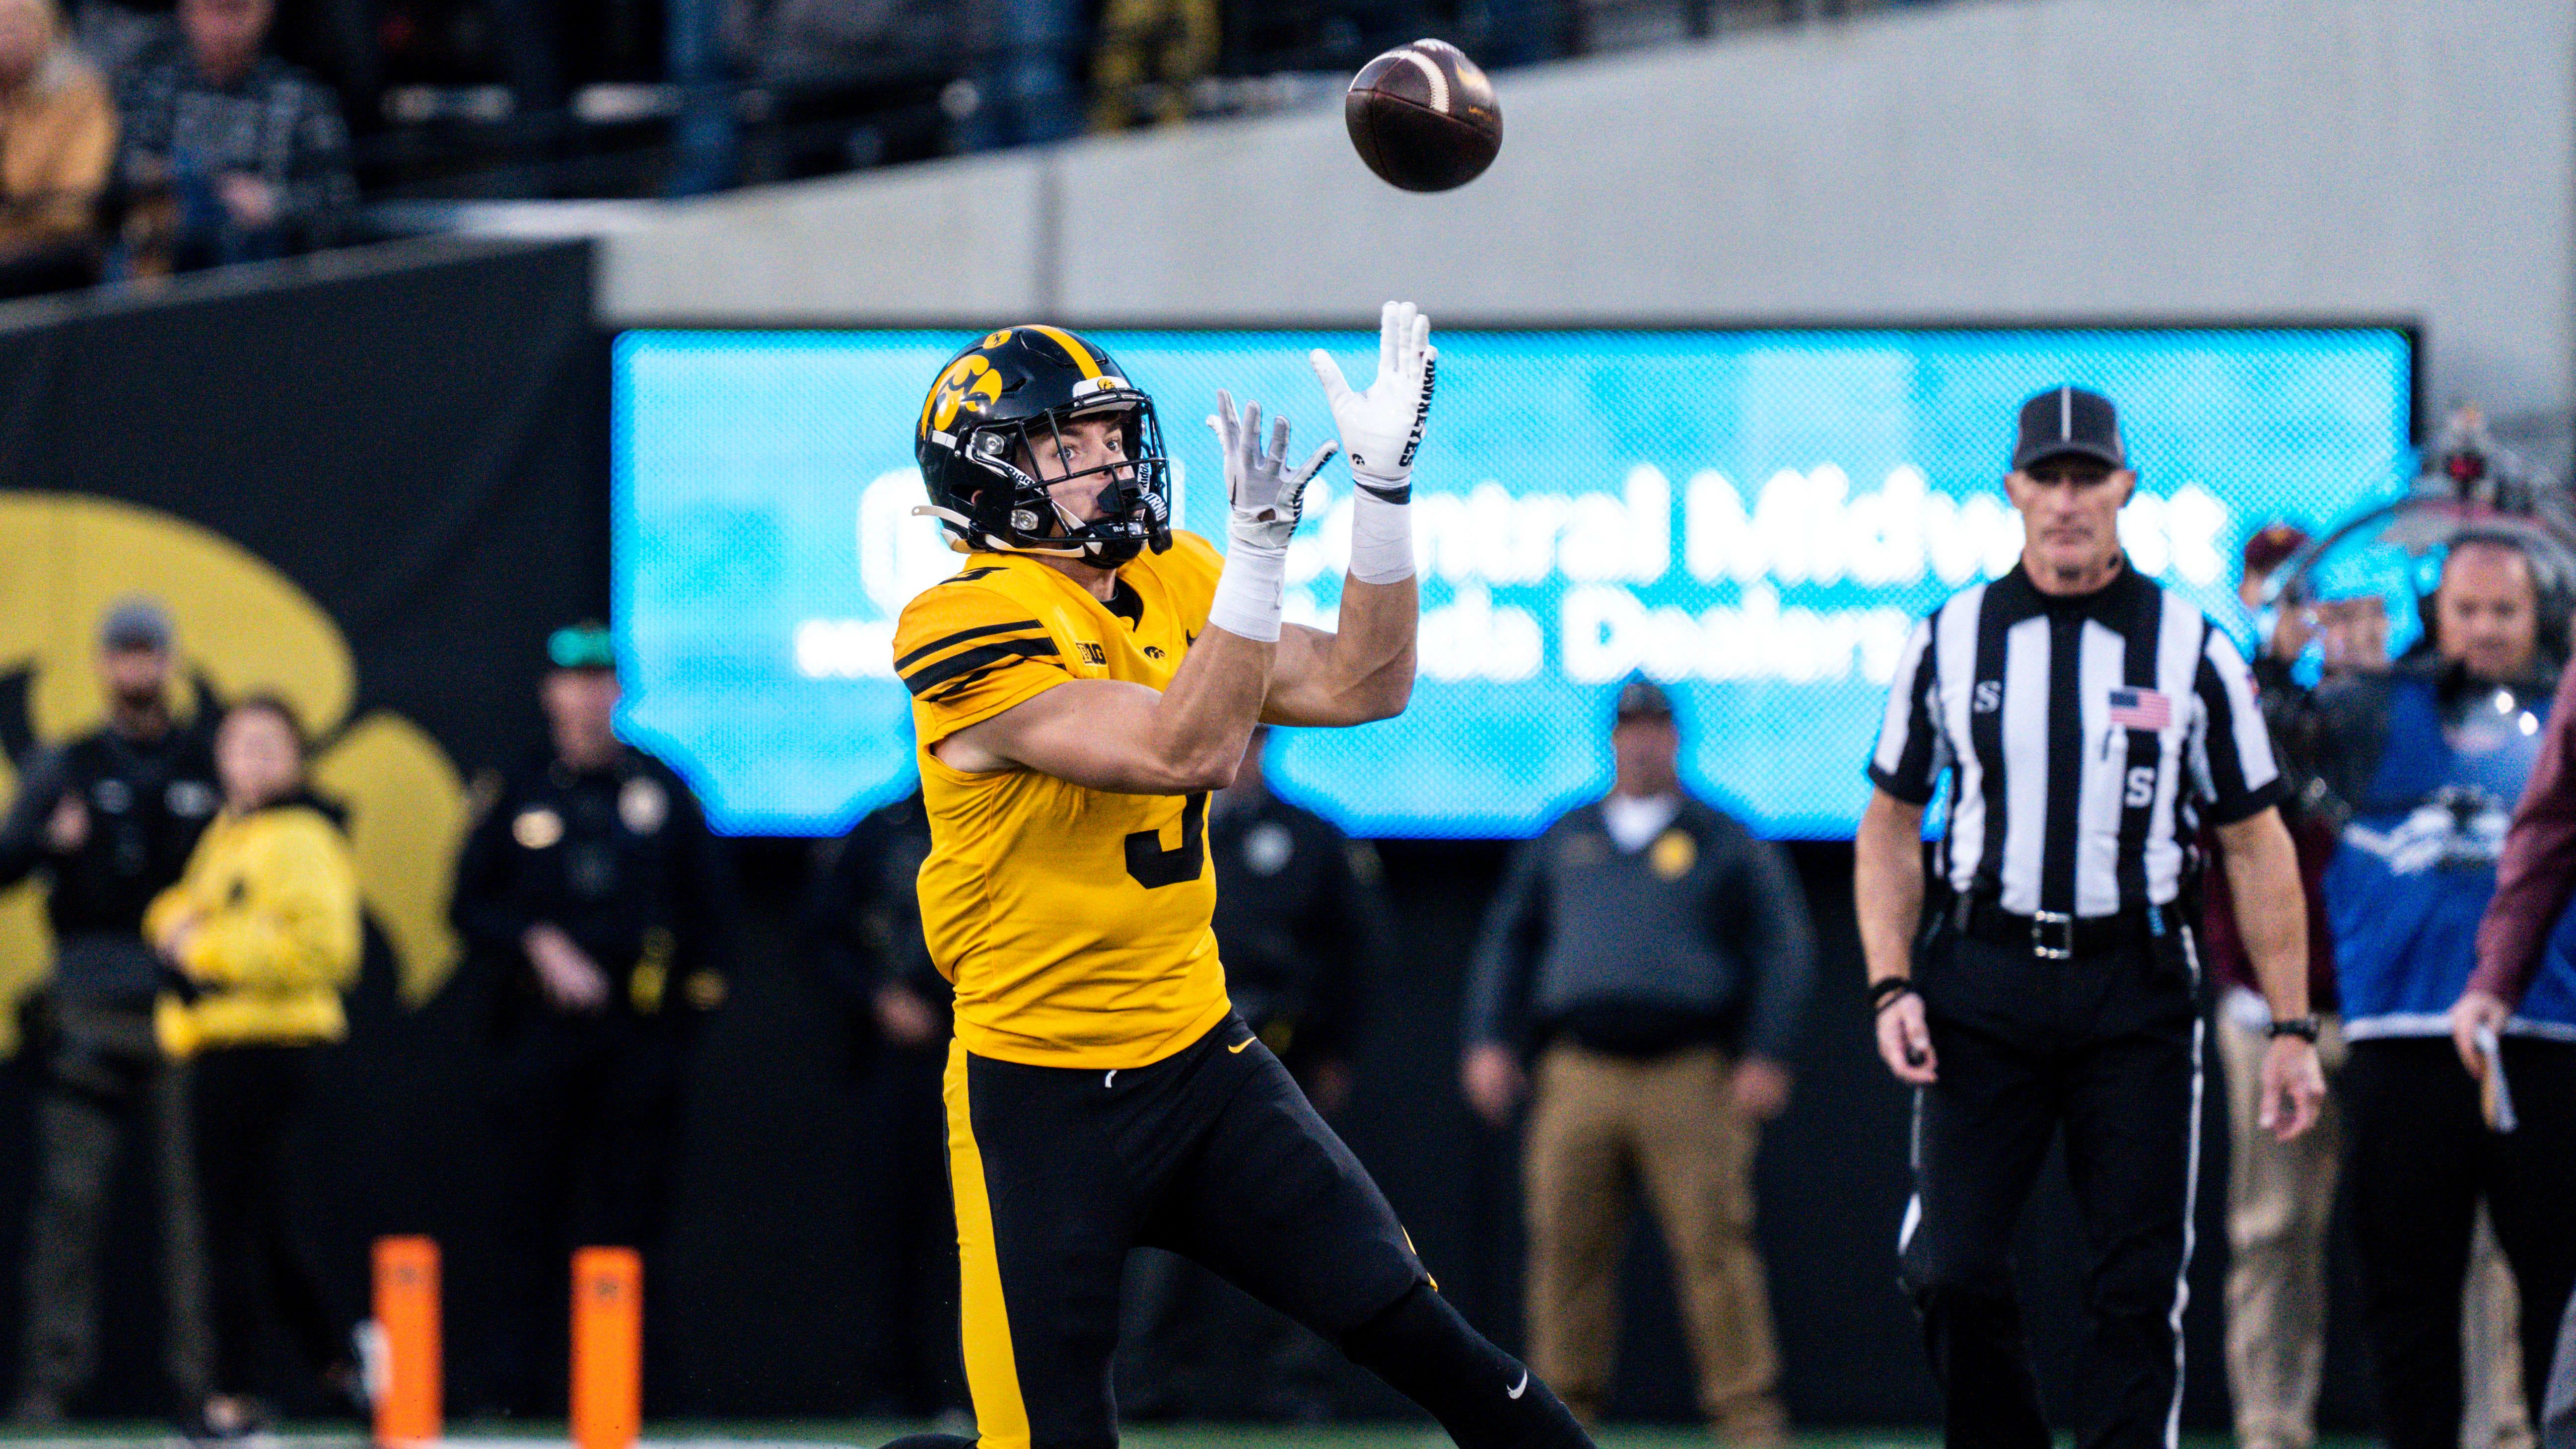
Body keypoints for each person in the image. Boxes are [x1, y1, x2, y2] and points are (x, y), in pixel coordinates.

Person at [879, 310, 1595, 1449]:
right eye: (1071, 446)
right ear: (991, 475)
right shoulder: (960, 618)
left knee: (1437, 1345)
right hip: (1040, 1091)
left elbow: (1369, 680)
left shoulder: (1175, 575)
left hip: (1201, 1062)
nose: (1112, 463)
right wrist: (1259, 563)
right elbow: (1185, 748)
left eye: (1115, 434)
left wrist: (1382, 498)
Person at [1854, 386, 2326, 1449]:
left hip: (2135, 988)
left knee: (2132, 1288)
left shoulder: (2190, 649)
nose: (2066, 500)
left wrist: (2290, 1027)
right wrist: (1890, 981)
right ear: (2012, 489)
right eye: (2046, 477)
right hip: (1982, 975)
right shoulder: (1948, 638)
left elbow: (2255, 842)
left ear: (2123, 486)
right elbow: (1886, 824)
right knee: (1947, 1267)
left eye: (2086, 477)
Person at [1458, 677, 1814, 1447]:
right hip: (1577, 1070)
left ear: (1677, 738)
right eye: (1630, 728)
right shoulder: (1567, 832)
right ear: (1612, 740)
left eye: (1657, 727)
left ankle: (1748, 1418)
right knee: (1564, 1245)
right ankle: (1559, 1414)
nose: (1644, 741)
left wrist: (1767, 1052)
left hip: (1690, 1072)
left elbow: (1782, 946)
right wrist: (1490, 1038)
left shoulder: (1723, 835)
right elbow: (1508, 939)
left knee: (1715, 1247)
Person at [2316, 527, 2576, 1449]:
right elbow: (2279, 756)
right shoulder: (2365, 714)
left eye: (2503, 609)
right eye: (2464, 609)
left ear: (2538, 611)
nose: (2484, 629)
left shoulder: (2562, 704)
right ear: (2434, 612)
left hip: (2547, 1036)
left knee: (2558, 1286)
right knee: (2404, 1293)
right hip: (2398, 1032)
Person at [448, 623, 734, 1415]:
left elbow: (712, 920)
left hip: (637, 1041)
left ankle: (638, 1389)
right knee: (525, 1216)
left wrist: (679, 1023)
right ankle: (516, 1391)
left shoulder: (663, 788)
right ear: (549, 693)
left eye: (600, 680)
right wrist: (536, 942)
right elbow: (467, 907)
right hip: (538, 1037)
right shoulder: (514, 787)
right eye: (569, 681)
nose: (584, 696)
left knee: (633, 1217)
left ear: (620, 692)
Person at [1118, 723, 1390, 1422]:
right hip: (1171, 1056)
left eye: (1255, 739)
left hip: (1283, 1057)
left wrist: (1338, 1050)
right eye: (1232, 737)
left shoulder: (1311, 836)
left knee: (1300, 1216)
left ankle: (1299, 1388)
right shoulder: (1162, 823)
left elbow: (1357, 953)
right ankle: (1149, 1387)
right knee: (1161, 1226)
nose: (1241, 754)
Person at [0, 598, 214, 1425]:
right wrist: (45, 841)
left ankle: (203, 1387)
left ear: (170, 660)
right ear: (100, 664)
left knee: (196, 1209)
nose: (136, 668)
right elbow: (4, 864)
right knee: (69, 1206)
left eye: (148, 653)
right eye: (122, 654)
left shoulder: (208, 759)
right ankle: (50, 1384)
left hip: (187, 1010)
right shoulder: (68, 763)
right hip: (90, 1005)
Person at [145, 694, 364, 1436]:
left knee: (232, 1232)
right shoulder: (232, 831)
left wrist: (204, 947)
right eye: (241, 743)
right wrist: (176, 927)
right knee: (264, 1230)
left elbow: (325, 949)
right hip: (223, 1047)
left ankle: (232, 1395)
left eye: (272, 744)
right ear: (220, 757)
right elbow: (181, 908)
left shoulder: (300, 835)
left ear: (299, 757)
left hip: (266, 1051)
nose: (255, 758)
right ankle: (343, 1367)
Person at [803, 783, 968, 1422]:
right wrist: (877, 996)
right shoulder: (883, 828)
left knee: (993, 1228)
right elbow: (821, 934)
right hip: (904, 1058)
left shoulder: (1019, 814)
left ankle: (980, 1390)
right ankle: (892, 1388)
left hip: (998, 1051)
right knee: (895, 1224)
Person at [113, 0, 353, 274]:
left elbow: (340, 202)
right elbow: (115, 177)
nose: (223, 27)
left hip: (270, 278)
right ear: (186, 11)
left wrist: (275, 204)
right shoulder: (152, 88)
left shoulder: (303, 99)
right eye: (210, 9)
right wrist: (172, 181)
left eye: (236, 10)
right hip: (167, 272)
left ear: (267, 12)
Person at [0, 0, 111, 299]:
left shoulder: (81, 95)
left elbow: (74, 205)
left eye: (18, 22)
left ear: (46, 27)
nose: (8, 35)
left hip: (52, 250)